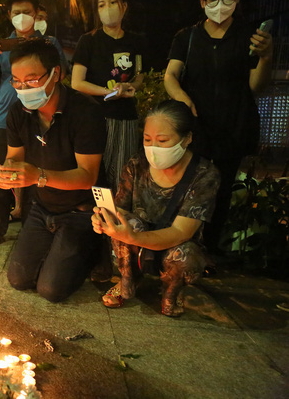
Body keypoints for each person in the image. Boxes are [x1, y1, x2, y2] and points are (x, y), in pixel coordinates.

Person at [0, 38, 106, 303]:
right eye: (16, 81)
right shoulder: (18, 113)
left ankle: (92, 251)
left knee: (51, 290)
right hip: (42, 208)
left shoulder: (85, 112)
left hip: (80, 211)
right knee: (19, 280)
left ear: (56, 74)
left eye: (31, 80)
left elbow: (87, 176)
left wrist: (38, 176)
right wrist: (6, 174)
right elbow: (14, 159)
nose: (23, 88)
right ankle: (57, 252)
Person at [163, 0, 273, 254]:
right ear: (202, 1)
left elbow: (255, 86)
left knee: (220, 194)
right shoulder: (186, 37)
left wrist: (266, 57)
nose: (220, 3)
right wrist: (182, 99)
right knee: (187, 189)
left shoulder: (249, 36)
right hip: (195, 128)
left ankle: (207, 254)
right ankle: (177, 248)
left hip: (233, 127)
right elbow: (170, 76)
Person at [92, 100, 220, 317]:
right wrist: (105, 220)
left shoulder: (205, 175)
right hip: (138, 239)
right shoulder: (135, 165)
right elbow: (120, 209)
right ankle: (127, 283)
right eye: (147, 140)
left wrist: (131, 237)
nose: (153, 148)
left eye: (162, 140)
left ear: (187, 138)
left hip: (176, 245)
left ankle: (171, 293)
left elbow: (181, 232)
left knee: (184, 256)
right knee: (121, 222)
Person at [0, 0, 69, 246]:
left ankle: (34, 224)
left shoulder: (48, 42)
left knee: (36, 170)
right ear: (9, 14)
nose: (22, 17)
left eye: (27, 12)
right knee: (2, 169)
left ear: (36, 13)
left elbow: (61, 75)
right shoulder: (2, 44)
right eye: (17, 12)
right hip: (5, 116)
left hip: (39, 113)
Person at [71, 0, 145, 191]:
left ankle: (118, 218)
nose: (108, 8)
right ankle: (93, 218)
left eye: (113, 2)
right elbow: (77, 82)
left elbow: (139, 74)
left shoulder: (135, 41)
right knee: (96, 175)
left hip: (126, 118)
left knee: (123, 177)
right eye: (101, 4)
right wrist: (109, 92)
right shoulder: (88, 41)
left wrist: (131, 86)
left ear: (124, 6)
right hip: (97, 117)